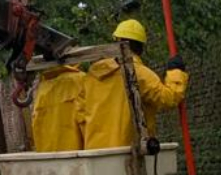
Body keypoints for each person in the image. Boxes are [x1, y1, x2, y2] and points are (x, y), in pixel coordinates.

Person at [80, 19, 188, 150]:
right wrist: (176, 72)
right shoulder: (140, 74)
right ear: (141, 47)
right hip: (128, 153)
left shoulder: (93, 74)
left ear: (115, 42)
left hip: (95, 152)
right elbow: (168, 99)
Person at [31, 65, 86, 152]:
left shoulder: (43, 87)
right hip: (75, 156)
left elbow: (36, 122)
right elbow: (87, 121)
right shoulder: (80, 80)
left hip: (48, 156)